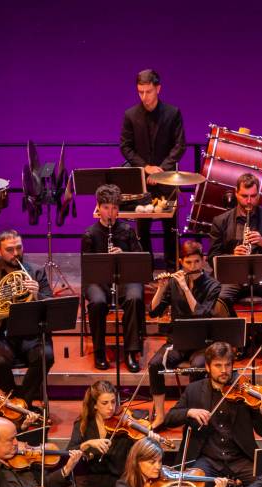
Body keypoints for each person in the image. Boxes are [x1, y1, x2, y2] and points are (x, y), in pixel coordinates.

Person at [160, 341, 262, 487]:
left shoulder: (244, 389)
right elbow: (169, 418)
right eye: (218, 366)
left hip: (239, 456)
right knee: (195, 481)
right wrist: (189, 413)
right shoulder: (195, 390)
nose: (224, 371)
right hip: (208, 456)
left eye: (228, 365)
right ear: (207, 367)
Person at [0, 230, 54, 407]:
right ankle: (13, 398)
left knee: (46, 356)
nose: (16, 253)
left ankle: (23, 402)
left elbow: (50, 304)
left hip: (30, 335)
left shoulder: (36, 272)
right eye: (10, 249)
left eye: (19, 248)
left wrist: (37, 294)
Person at [209, 172, 262, 358]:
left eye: (253, 196)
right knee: (218, 298)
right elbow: (212, 257)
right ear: (236, 194)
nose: (249, 201)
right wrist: (232, 255)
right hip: (235, 277)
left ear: (259, 195)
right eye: (244, 196)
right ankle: (239, 340)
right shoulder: (220, 221)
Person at [148, 239, 226, 425]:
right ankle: (160, 414)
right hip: (178, 340)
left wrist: (185, 288)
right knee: (154, 364)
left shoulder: (213, 285)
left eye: (197, 262)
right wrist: (161, 289)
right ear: (181, 262)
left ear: (203, 260)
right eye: (188, 262)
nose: (193, 266)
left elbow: (200, 313)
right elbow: (154, 311)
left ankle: (193, 412)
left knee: (199, 366)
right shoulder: (174, 283)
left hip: (203, 342)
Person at [120, 69, 185, 263]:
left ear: (158, 89)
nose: (144, 96)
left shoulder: (173, 113)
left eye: (148, 91)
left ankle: (172, 264)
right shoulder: (130, 115)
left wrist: (161, 169)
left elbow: (179, 145)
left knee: (170, 226)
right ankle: (145, 266)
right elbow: (126, 146)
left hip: (166, 177)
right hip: (143, 177)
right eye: (140, 92)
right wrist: (146, 167)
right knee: (143, 226)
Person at [67, 380, 147, 487]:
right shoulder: (83, 424)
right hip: (94, 482)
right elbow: (69, 452)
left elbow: (141, 450)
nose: (111, 407)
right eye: (105, 403)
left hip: (122, 481)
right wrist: (87, 444)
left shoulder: (124, 424)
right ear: (94, 404)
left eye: (113, 402)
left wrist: (149, 438)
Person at [82, 183, 145, 372]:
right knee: (98, 302)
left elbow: (140, 261)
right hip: (98, 281)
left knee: (134, 297)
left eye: (115, 208)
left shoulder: (127, 230)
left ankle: (130, 351)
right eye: (106, 208)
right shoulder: (90, 234)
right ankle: (99, 351)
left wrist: (122, 256)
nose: (110, 213)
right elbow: (87, 268)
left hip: (125, 278)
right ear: (98, 208)